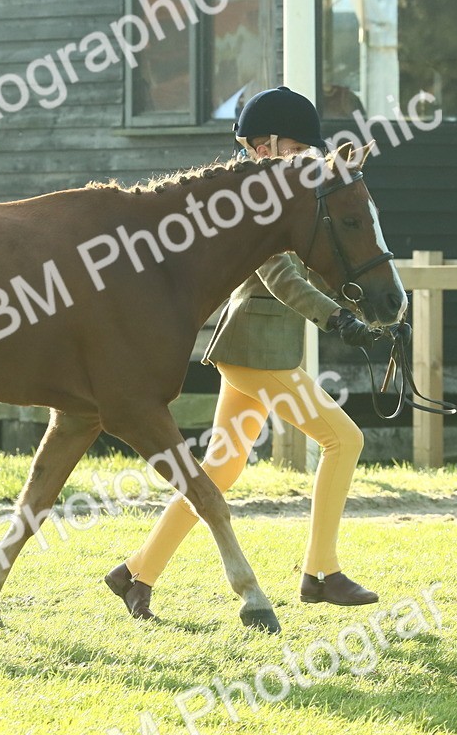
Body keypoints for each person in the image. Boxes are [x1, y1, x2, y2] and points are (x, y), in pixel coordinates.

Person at [104, 86, 379, 620]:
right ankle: (321, 572)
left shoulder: (290, 198)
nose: (304, 159)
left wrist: (365, 307)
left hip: (256, 349)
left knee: (220, 469)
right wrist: (337, 319)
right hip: (257, 350)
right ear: (264, 146)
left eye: (306, 150)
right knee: (344, 439)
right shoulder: (256, 205)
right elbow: (281, 279)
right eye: (295, 149)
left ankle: (135, 574)